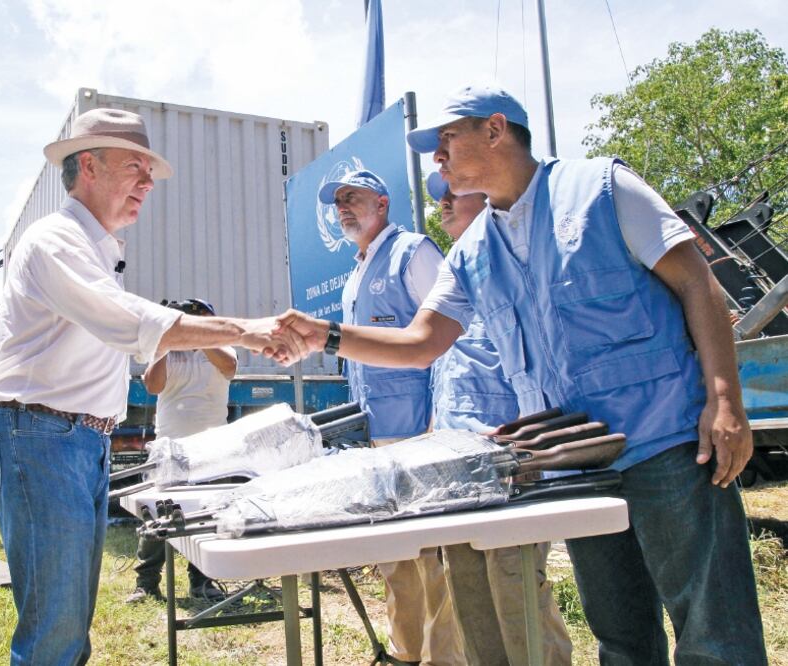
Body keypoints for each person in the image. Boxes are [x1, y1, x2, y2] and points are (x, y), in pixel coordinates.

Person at [277, 84, 766, 664]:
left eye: (446, 139)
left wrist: (726, 403)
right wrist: (326, 335)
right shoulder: (473, 248)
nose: (437, 157)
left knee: (715, 633)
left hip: (672, 445)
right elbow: (420, 342)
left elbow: (698, 285)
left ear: (495, 129)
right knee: (621, 637)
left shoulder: (603, 189)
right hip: (581, 461)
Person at [0, 107, 300, 665]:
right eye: (135, 166)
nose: (149, 183)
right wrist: (245, 330)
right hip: (41, 437)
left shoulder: (97, 249)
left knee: (70, 624)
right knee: (55, 629)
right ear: (88, 167)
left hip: (73, 440)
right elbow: (126, 319)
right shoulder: (54, 240)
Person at [426, 171, 572, 665]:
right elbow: (448, 376)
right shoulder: (456, 274)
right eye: (440, 197)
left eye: (453, 193)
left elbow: (539, 364)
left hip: (508, 461)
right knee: (468, 586)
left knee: (515, 586)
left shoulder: (513, 266)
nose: (443, 203)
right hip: (454, 467)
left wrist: (530, 447)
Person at [318, 169, 460, 666]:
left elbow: (450, 337)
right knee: (394, 553)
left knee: (434, 556)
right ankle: (406, 651)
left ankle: (444, 657)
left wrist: (440, 423)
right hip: (377, 435)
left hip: (421, 431)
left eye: (353, 198)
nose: (343, 209)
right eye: (338, 203)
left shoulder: (413, 251)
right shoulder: (357, 271)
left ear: (382, 203)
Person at [127, 298, 237, 604]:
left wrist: (198, 333)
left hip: (211, 447)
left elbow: (230, 367)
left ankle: (203, 581)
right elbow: (152, 385)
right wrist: (166, 340)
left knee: (207, 514)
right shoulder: (167, 352)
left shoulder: (221, 348)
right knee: (156, 516)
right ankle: (146, 582)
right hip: (170, 447)